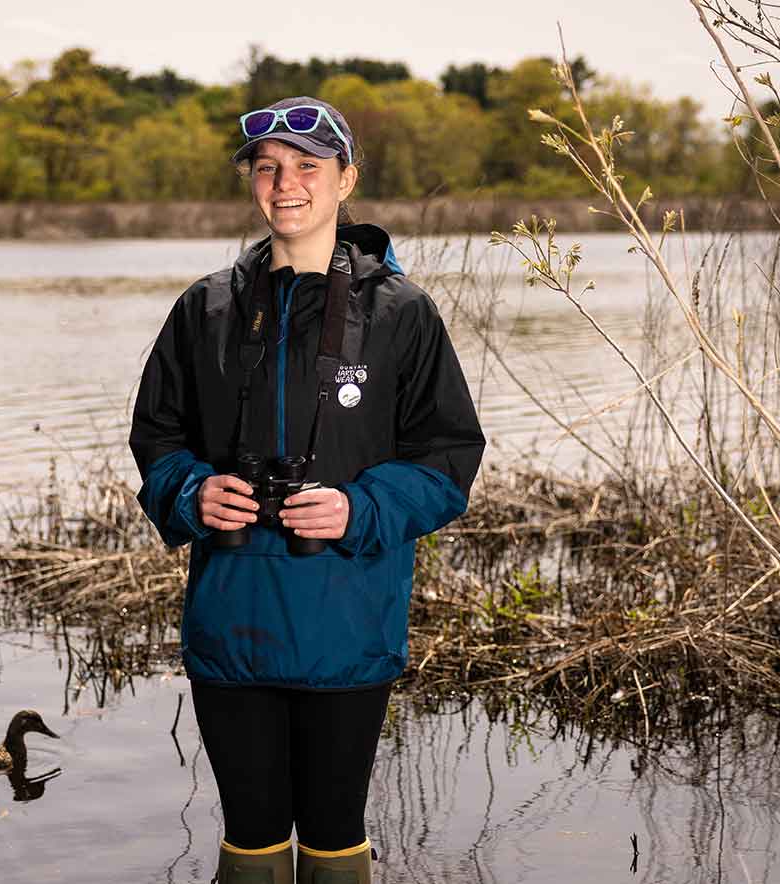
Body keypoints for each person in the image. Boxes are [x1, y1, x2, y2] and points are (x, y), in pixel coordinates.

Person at [129, 96, 484, 884]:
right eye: (267, 168)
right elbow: (157, 437)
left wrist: (360, 508)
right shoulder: (204, 308)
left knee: (333, 834)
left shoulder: (403, 313)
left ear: (346, 178)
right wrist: (191, 494)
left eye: (306, 167)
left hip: (348, 626)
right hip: (231, 626)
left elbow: (449, 457)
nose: (284, 184)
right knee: (250, 839)